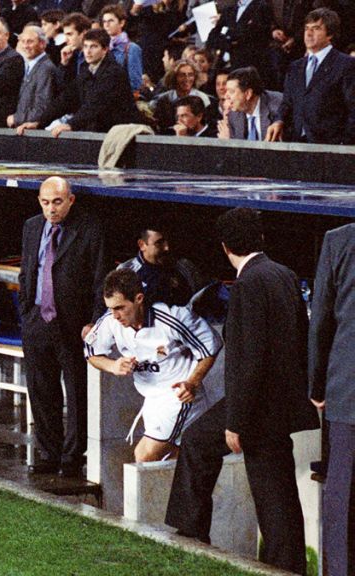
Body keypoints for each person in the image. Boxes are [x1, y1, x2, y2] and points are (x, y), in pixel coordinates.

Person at [165, 208, 319, 574]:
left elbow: (248, 359)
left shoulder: (249, 284)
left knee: (198, 441)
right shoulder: (283, 274)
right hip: (281, 404)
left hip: (256, 407)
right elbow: (303, 340)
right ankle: (288, 564)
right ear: (260, 238)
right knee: (276, 490)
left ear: (225, 247)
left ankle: (190, 533)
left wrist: (235, 422)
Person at [18, 176, 107, 478]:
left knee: (76, 391)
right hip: (37, 320)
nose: (51, 209)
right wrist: (25, 313)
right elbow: (27, 271)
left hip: (73, 324)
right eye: (45, 202)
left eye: (57, 202)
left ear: (70, 200)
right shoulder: (32, 227)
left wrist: (94, 320)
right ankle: (48, 452)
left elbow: (99, 279)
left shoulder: (89, 228)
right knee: (41, 390)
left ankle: (72, 455)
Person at [85, 268, 222, 462]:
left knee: (144, 455)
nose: (114, 315)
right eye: (110, 308)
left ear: (139, 299)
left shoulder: (172, 317)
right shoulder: (111, 321)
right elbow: (91, 353)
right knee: (178, 459)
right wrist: (112, 365)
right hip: (151, 398)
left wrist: (192, 382)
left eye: (120, 308)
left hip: (178, 396)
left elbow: (211, 346)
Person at [309, 222, 355, 576]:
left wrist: (318, 386)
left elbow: (321, 319)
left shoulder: (338, 241)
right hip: (344, 387)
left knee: (342, 489)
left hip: (346, 386)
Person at [16, 29, 140, 137]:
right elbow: (66, 99)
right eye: (85, 46)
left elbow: (95, 104)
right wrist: (39, 122)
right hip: (99, 132)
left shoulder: (114, 72)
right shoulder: (87, 69)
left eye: (93, 46)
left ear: (105, 49)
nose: (88, 51)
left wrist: (71, 124)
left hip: (118, 132)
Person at [267, 8, 355, 145]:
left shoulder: (346, 64)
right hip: (297, 144)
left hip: (330, 148)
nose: (308, 33)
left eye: (316, 28)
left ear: (330, 34)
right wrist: (279, 120)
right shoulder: (294, 67)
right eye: (306, 28)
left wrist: (345, 143)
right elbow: (287, 102)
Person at [116, 224, 209, 306]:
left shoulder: (185, 266)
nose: (167, 248)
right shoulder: (126, 272)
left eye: (167, 241)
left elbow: (203, 301)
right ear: (142, 245)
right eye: (159, 243)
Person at [8, 25, 57, 128]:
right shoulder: (30, 65)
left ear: (42, 44)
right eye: (23, 41)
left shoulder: (45, 68)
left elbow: (43, 107)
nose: (25, 46)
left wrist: (17, 118)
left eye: (30, 42)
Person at [221, 66, 283, 141]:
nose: (226, 96)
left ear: (248, 94)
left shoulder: (278, 108)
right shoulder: (233, 114)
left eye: (231, 91)